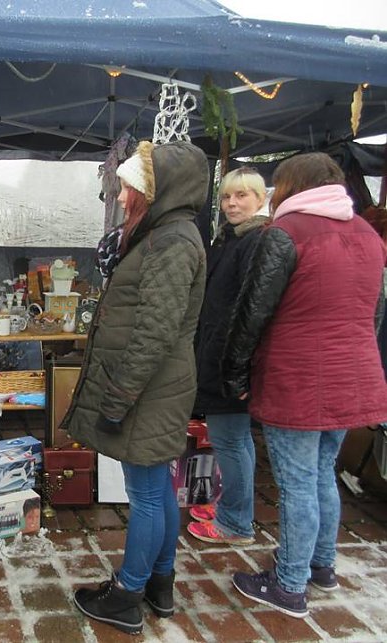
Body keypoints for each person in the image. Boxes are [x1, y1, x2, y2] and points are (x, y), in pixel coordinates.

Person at [221, 152, 387, 618]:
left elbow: (254, 311)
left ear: (293, 186)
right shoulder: (369, 235)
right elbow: (374, 314)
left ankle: (289, 584)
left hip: (298, 378)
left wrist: (234, 371)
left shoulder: (287, 233)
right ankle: (321, 566)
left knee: (297, 483)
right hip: (353, 376)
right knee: (321, 475)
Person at [61, 140, 208, 635]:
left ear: (156, 190)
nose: (122, 198)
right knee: (156, 488)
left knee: (145, 494)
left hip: (148, 389)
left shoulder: (171, 242)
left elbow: (154, 332)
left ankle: (127, 594)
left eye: (130, 188)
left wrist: (119, 398)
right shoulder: (164, 235)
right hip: (155, 386)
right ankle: (159, 585)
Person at [187, 167, 269, 545]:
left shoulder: (257, 242)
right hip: (221, 355)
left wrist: (235, 364)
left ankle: (235, 523)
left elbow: (250, 309)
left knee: (232, 441)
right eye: (226, 197)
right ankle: (232, 508)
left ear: (261, 199)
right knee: (234, 441)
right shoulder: (230, 239)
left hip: (232, 362)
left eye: (242, 196)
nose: (233, 203)